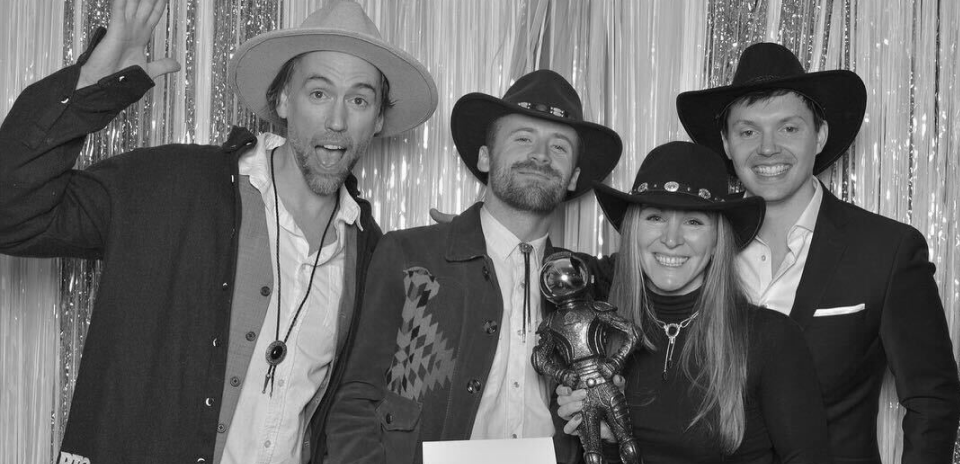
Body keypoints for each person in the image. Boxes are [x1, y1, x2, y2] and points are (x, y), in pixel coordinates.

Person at [0, 0, 438, 462]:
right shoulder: (171, 185)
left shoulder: (374, 253)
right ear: (283, 100)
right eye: (318, 93)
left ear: (378, 120)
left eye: (359, 99)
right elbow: (13, 214)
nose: (336, 120)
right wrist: (91, 86)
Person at [675, 42, 960, 463]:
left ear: (820, 134)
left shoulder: (885, 250)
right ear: (726, 143)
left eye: (788, 128)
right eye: (748, 131)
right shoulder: (692, 247)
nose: (767, 148)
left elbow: (933, 400)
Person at [323, 69, 623, 464]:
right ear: (485, 156)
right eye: (522, 139)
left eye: (559, 147)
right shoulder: (409, 256)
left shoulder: (586, 284)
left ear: (574, 178)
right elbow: (355, 399)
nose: (540, 155)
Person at [557, 141, 831, 463]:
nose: (671, 239)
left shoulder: (771, 338)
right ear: (632, 232)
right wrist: (607, 441)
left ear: (718, 240)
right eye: (655, 217)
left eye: (694, 222)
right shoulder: (599, 337)